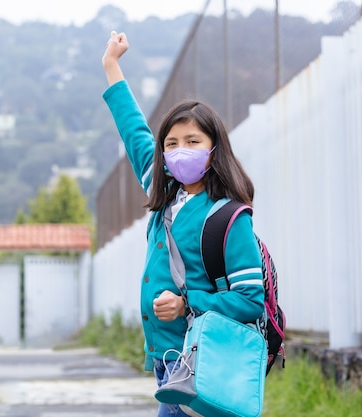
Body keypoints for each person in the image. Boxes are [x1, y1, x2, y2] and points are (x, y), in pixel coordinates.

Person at [101, 30, 266, 417]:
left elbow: (249, 300)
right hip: (166, 356)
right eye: (171, 143)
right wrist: (111, 66)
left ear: (214, 147)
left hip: (200, 360)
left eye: (193, 141)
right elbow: (134, 131)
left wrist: (186, 304)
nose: (180, 151)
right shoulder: (164, 192)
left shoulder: (227, 216)